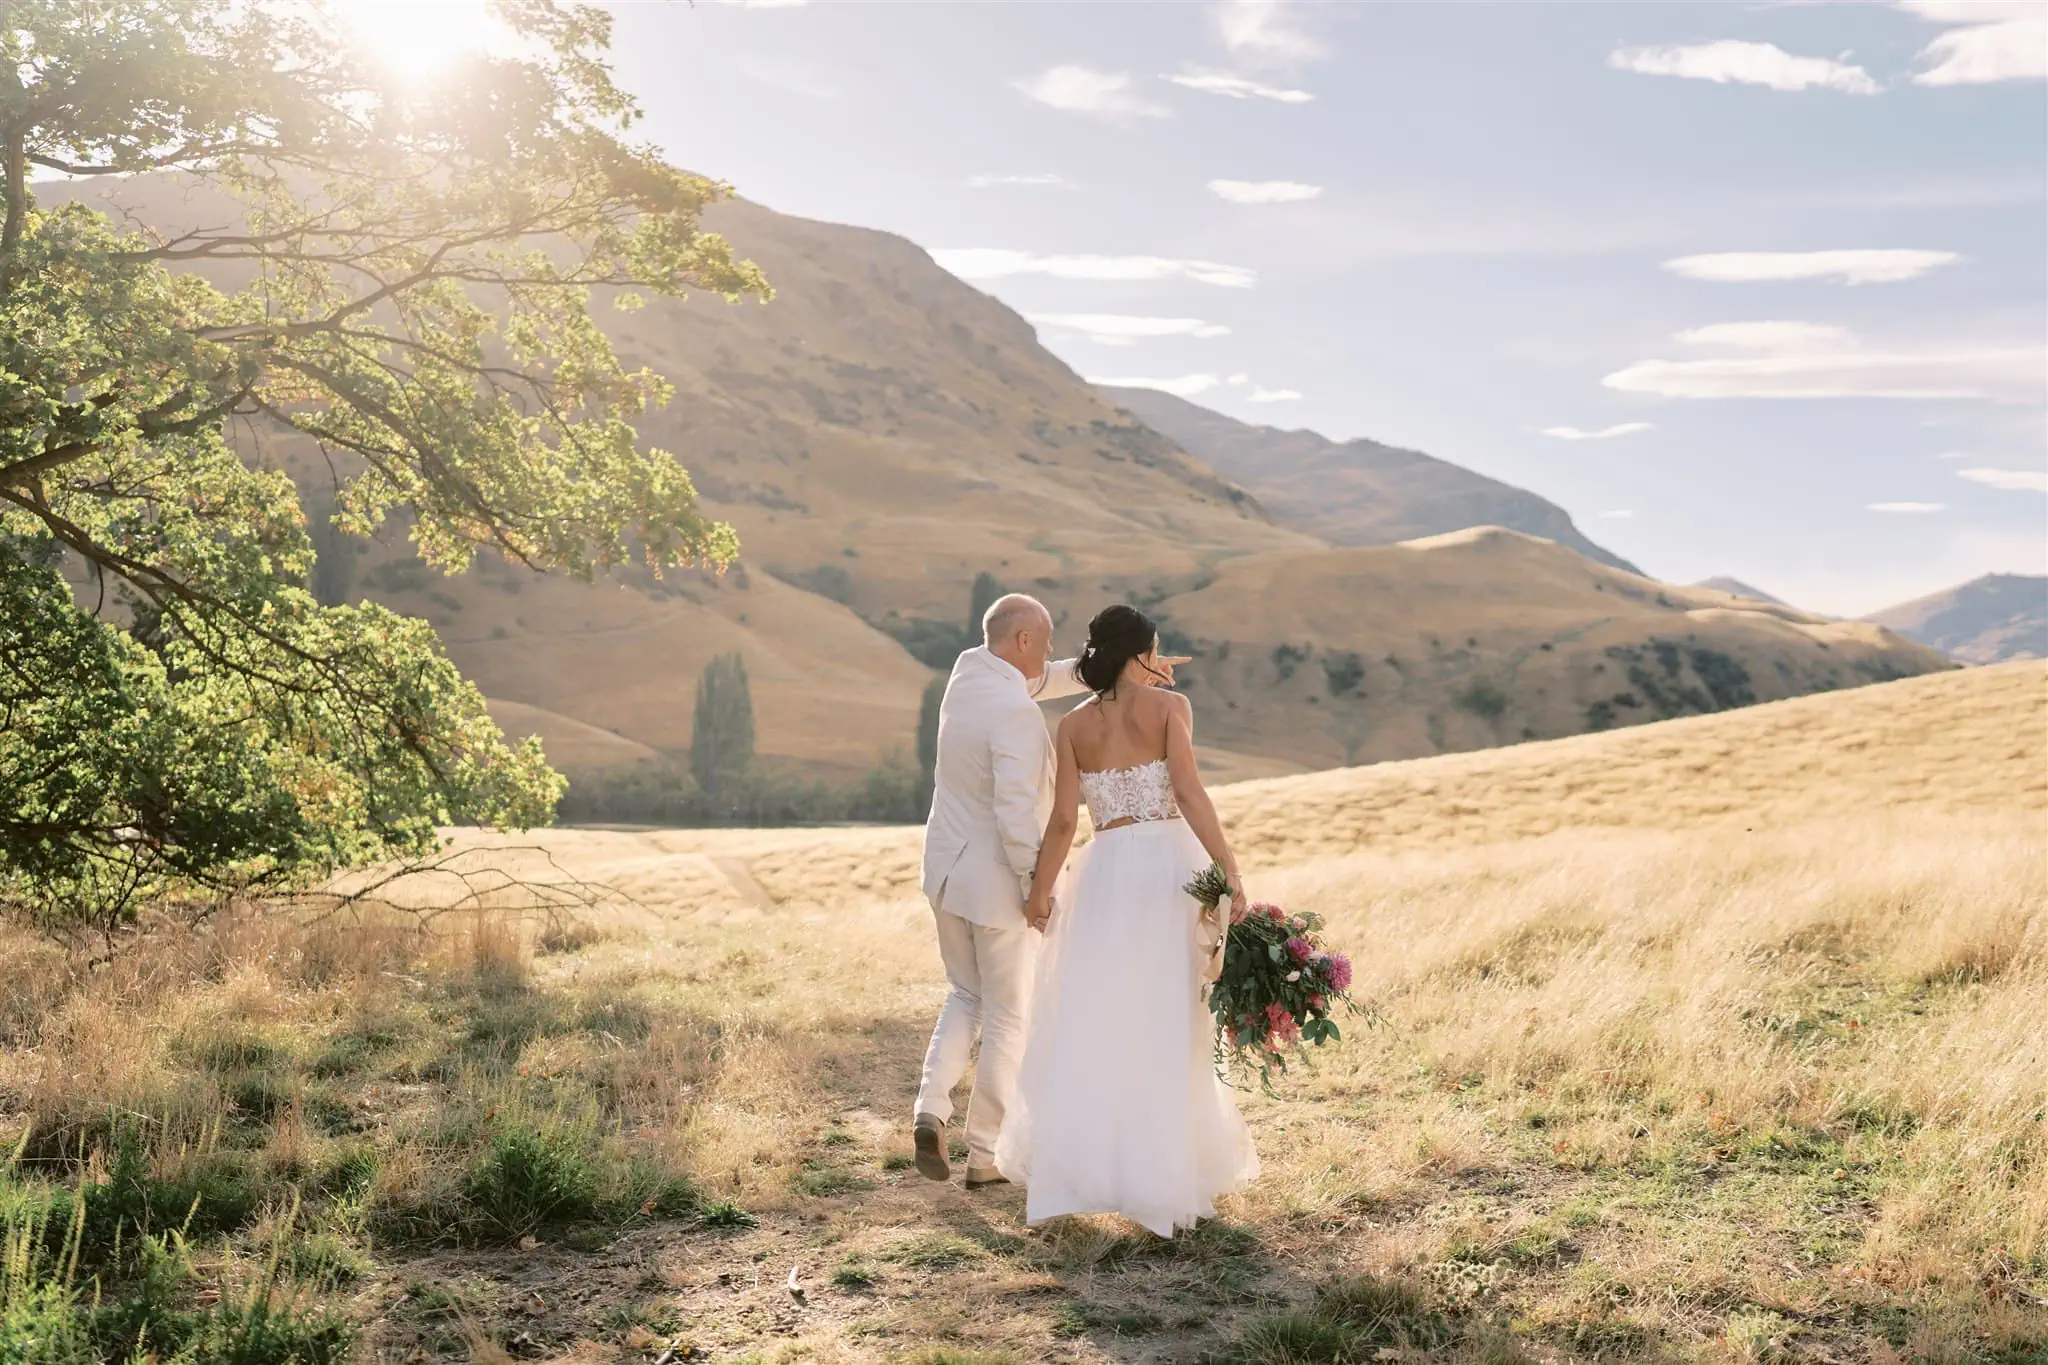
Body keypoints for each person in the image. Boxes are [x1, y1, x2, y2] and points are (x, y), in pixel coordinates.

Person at [993, 603, 1258, 1235]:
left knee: (1102, 1015)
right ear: (1142, 653)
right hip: (1171, 869)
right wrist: (1230, 872)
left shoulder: (1073, 726)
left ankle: (1098, 1164)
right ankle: (1166, 1174)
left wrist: (1040, 893)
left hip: (1106, 875)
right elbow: (1189, 793)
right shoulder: (1173, 709)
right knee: (1171, 1015)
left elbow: (1062, 822)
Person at [912, 593, 1186, 1189]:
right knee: (1010, 1018)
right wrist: (1034, 890)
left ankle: (930, 1109)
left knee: (964, 995)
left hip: (944, 874)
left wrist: (1123, 665)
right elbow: (1017, 814)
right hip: (993, 886)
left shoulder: (969, 673)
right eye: (1049, 642)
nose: (1056, 652)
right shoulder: (1014, 714)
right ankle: (983, 1155)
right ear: (1025, 643)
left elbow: (1042, 681)